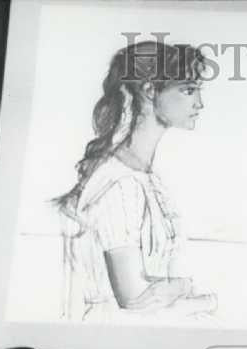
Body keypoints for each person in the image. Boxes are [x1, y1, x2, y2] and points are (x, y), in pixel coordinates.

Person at [55, 40, 216, 321]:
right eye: (188, 90)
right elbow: (134, 299)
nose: (199, 103)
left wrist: (183, 292)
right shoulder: (119, 185)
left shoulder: (147, 181)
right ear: (150, 90)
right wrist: (195, 294)